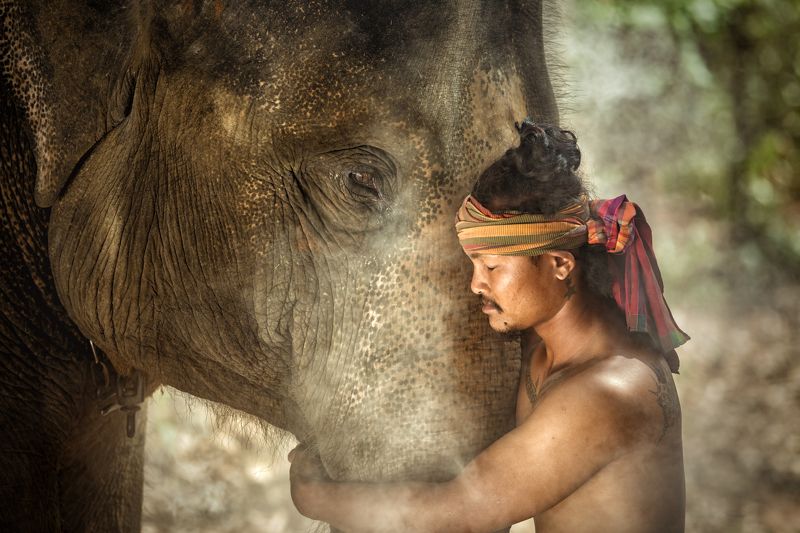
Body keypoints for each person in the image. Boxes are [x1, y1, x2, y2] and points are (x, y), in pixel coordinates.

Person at [288, 120, 689, 533]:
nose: (476, 283)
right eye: (475, 264)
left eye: (493, 267)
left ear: (559, 265)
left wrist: (312, 496)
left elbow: (461, 514)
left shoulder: (609, 389)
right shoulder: (549, 337)